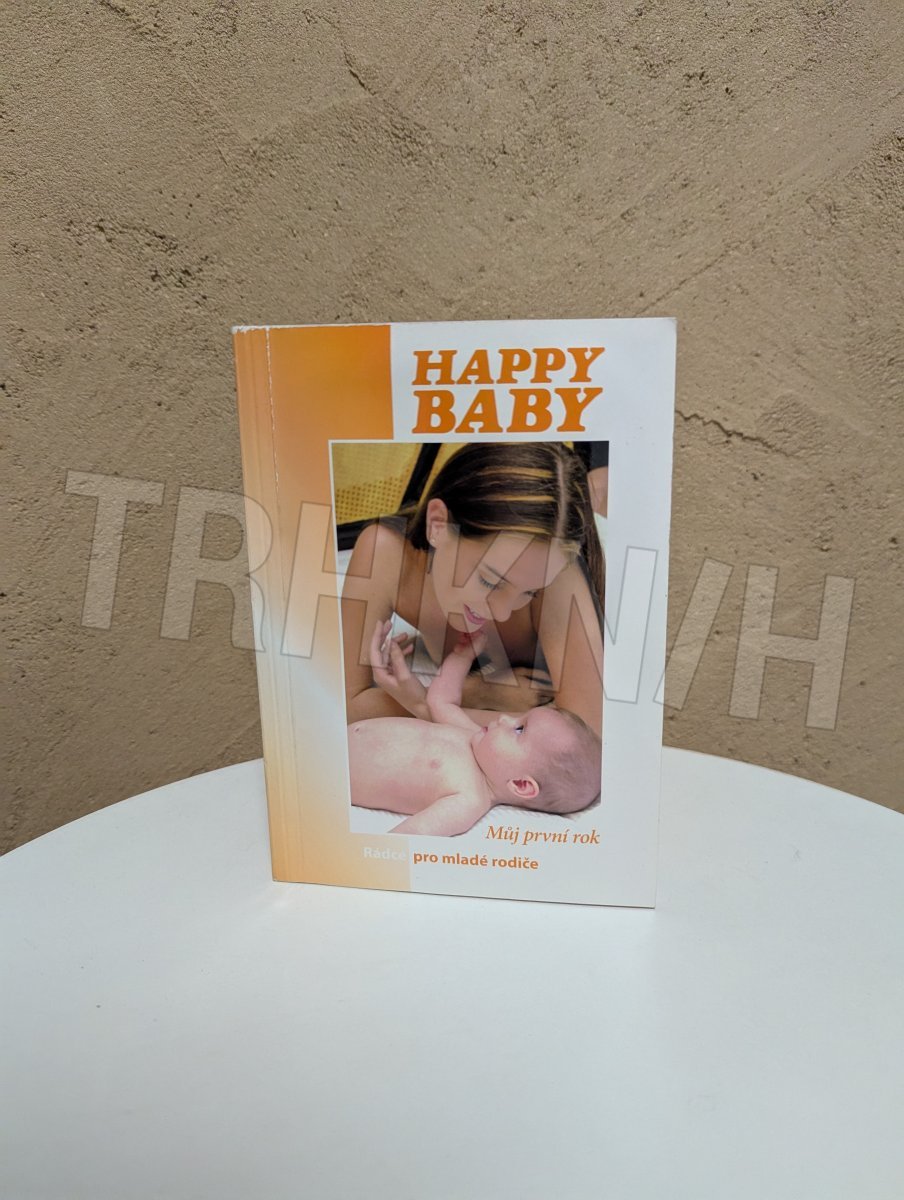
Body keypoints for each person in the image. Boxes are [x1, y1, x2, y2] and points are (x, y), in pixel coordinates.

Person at [340, 442, 605, 734]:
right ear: (438, 525)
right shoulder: (385, 553)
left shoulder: (553, 571)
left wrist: (425, 704)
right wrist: (471, 692)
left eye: (531, 593)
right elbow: (347, 705)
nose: (502, 613)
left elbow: (586, 731)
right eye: (490, 581)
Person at [348, 629, 601, 835]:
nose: (504, 718)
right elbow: (441, 701)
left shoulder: (467, 800)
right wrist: (462, 656)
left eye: (519, 729)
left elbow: (411, 835)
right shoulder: (472, 735)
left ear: (521, 785)